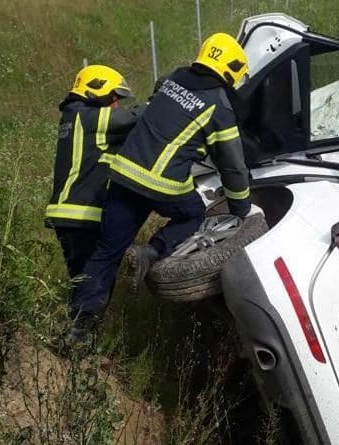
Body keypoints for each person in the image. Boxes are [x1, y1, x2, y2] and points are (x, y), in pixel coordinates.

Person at [66, 33, 261, 346]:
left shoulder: (172, 80)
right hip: (163, 184)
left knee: (105, 253)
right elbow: (232, 165)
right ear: (230, 69)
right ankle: (152, 251)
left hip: (124, 176)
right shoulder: (219, 106)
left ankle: (79, 329)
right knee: (193, 213)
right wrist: (240, 207)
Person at [45, 65, 141, 304]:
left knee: (85, 281)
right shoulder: (85, 116)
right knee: (94, 284)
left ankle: (80, 323)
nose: (116, 105)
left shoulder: (74, 117)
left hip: (69, 215)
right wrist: (164, 100)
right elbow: (133, 118)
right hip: (80, 215)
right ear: (96, 91)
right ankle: (83, 326)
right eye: (113, 99)